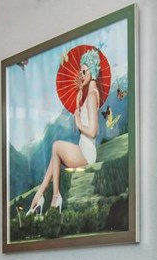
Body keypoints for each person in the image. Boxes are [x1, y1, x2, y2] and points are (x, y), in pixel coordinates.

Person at [27, 49, 102, 216]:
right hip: (84, 149)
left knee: (56, 146)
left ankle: (53, 196)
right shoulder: (88, 94)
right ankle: (41, 194)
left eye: (84, 71)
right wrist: (78, 101)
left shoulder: (91, 95)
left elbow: (94, 131)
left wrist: (77, 121)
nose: (81, 75)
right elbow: (82, 129)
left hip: (87, 153)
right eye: (80, 72)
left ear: (92, 70)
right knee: (56, 153)